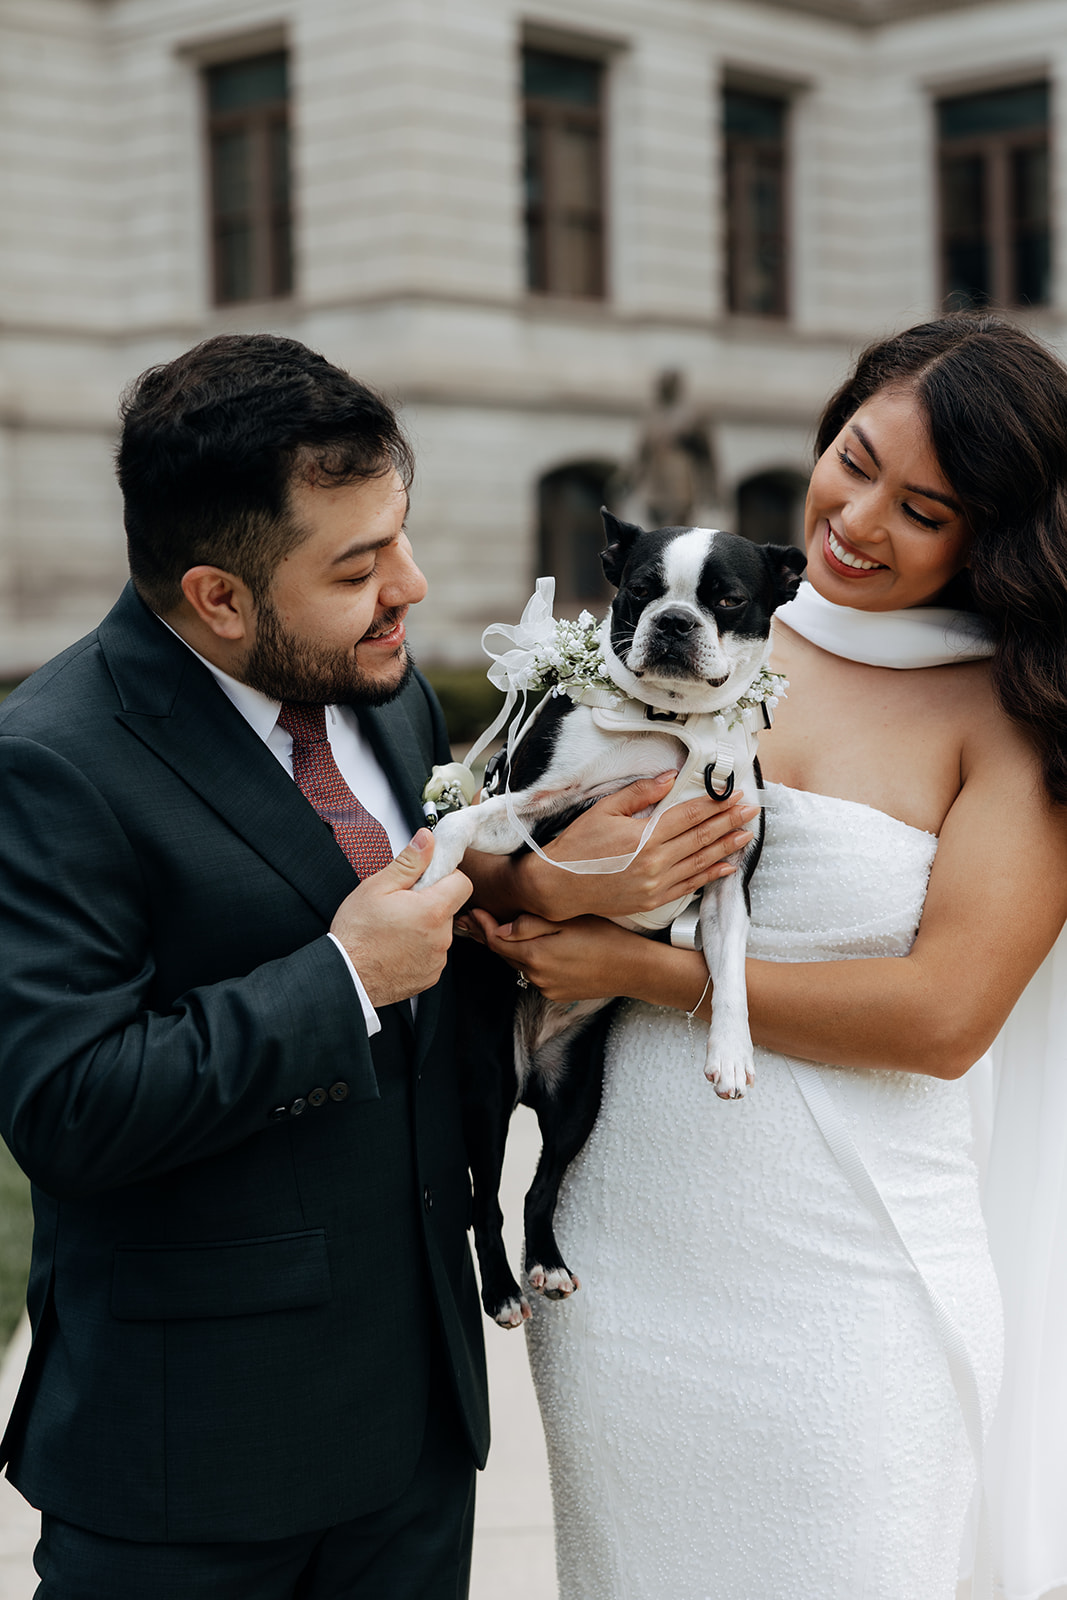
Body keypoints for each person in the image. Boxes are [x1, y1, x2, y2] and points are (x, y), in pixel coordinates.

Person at [0, 332, 739, 1600]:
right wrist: (338, 978)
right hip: (192, 1469)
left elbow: (437, 945)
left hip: (413, 1432)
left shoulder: (386, 697)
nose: (412, 585)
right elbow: (69, 1107)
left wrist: (548, 894)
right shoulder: (51, 760)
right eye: (357, 566)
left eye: (401, 534)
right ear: (219, 595)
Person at [464, 312, 1067, 1599]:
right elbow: (488, 863)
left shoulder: (1010, 720)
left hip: (849, 1277)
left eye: (924, 507)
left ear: (994, 536)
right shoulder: (696, 614)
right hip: (626, 1252)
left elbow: (944, 1015)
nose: (857, 520)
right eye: (853, 460)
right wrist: (562, 886)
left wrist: (638, 970)